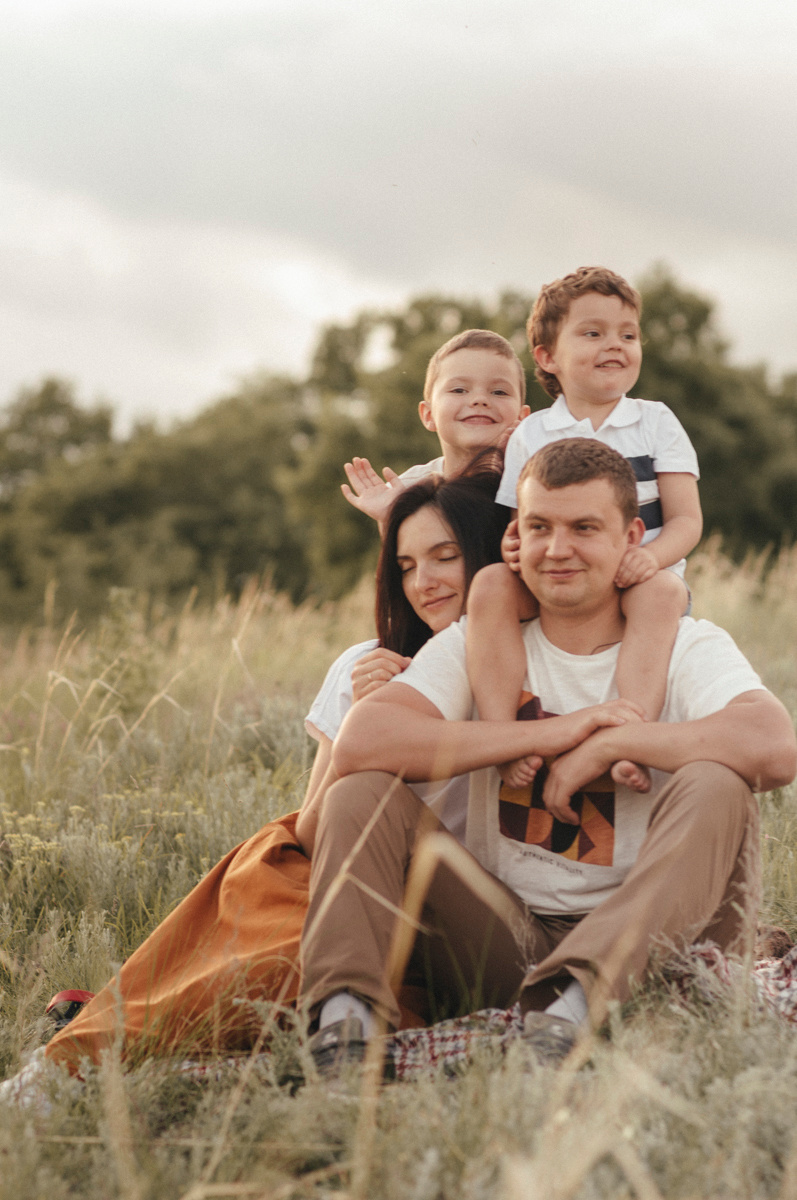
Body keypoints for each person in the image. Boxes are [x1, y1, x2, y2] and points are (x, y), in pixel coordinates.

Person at [299, 439, 796, 1071]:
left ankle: (575, 1007)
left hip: (661, 956)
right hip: (509, 942)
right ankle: (344, 1033)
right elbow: (364, 740)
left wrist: (614, 741)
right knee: (359, 792)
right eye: (539, 527)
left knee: (719, 783)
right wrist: (550, 734)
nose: (557, 549)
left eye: (584, 528)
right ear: (517, 537)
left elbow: (774, 745)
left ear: (632, 536)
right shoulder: (483, 640)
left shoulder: (686, 643)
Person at [38, 463, 511, 1077]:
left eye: (445, 557)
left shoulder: (521, 656)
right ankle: (87, 1046)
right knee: (261, 884)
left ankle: (93, 1054)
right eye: (407, 566)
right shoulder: (373, 666)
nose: (424, 582)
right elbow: (313, 830)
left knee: (279, 957)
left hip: (451, 913)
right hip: (351, 876)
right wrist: (370, 718)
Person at [465, 267, 703, 790]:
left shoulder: (656, 420)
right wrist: (514, 545)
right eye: (593, 333)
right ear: (548, 356)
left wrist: (652, 558)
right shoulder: (531, 433)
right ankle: (503, 736)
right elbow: (519, 524)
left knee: (661, 593)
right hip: (559, 580)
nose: (614, 345)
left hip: (636, 581)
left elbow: (687, 519)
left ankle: (628, 740)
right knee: (489, 586)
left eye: (628, 334)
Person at [340, 328, 530, 531]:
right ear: (428, 415)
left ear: (522, 417)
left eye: (499, 392)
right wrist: (393, 521)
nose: (480, 400)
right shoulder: (406, 492)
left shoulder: (537, 482)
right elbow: (407, 562)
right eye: (459, 390)